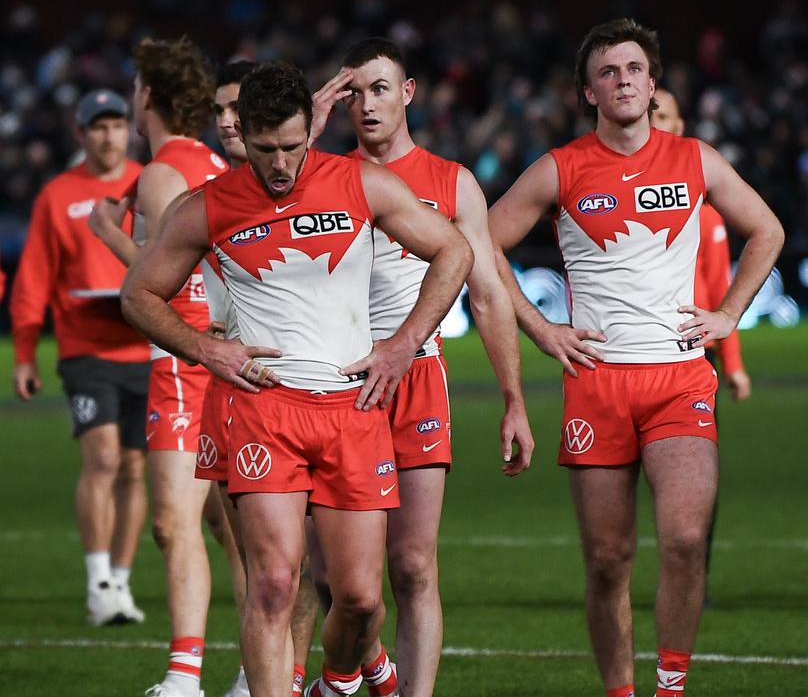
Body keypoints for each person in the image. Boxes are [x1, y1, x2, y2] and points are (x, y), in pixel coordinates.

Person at [120, 61, 472, 697]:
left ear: (311, 129)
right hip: (263, 408)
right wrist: (205, 349)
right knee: (276, 584)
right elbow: (139, 294)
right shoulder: (208, 206)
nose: (280, 164)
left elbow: (455, 250)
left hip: (352, 407)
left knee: (362, 599)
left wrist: (400, 345)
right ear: (242, 135)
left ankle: (334, 683)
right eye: (264, 150)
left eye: (291, 147)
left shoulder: (361, 181)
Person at [488, 19, 784, 697]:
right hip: (596, 382)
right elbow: (479, 243)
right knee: (607, 561)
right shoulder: (561, 167)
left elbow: (767, 229)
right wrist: (540, 328)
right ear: (589, 92)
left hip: (679, 377)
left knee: (683, 538)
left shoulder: (695, 159)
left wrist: (730, 313)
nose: (623, 80)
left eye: (633, 69)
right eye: (607, 72)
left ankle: (671, 687)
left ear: (653, 84)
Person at [299, 36, 536, 697]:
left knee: (413, 565)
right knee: (333, 581)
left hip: (416, 379)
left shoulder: (452, 183)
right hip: (336, 382)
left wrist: (513, 399)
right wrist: (311, 137)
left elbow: (488, 295)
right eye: (355, 92)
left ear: (408, 94)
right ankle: (371, 667)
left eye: (381, 88)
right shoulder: (322, 175)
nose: (368, 104)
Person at [87, 37, 231, 697]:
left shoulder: (160, 172)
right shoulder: (211, 160)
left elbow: (163, 281)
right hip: (227, 352)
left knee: (175, 522)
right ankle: (266, 675)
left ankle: (185, 676)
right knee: (229, 526)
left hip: (186, 356)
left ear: (148, 95)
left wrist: (110, 236)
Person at [195, 59, 323, 697]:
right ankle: (265, 677)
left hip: (306, 389)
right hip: (227, 382)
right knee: (243, 543)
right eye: (218, 111)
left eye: (232, 111)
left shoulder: (303, 180)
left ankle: (291, 676)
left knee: (306, 567)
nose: (225, 121)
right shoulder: (207, 197)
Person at [8, 88, 149, 627]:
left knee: (135, 469)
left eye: (116, 124)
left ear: (129, 129)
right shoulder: (58, 195)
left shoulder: (148, 185)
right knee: (105, 459)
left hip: (146, 344)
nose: (108, 135)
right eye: (98, 126)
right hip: (85, 348)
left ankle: (120, 580)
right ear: (81, 134)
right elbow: (34, 278)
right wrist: (25, 354)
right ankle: (97, 582)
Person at [649, 87, 751, 594]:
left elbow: (718, 291)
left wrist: (731, 362)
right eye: (652, 115)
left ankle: (692, 580)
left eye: (664, 115)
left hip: (692, 354)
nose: (656, 122)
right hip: (626, 356)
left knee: (690, 486)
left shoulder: (706, 216)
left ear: (682, 125)